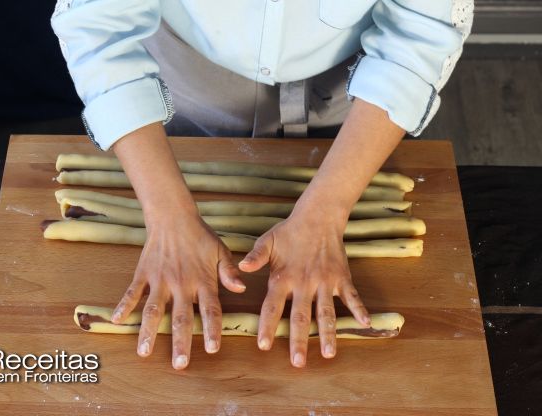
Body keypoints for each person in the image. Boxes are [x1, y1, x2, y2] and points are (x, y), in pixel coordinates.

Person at [51, 0, 473, 369]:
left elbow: (419, 32)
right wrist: (168, 216)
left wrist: (327, 212)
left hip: (356, 92)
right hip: (186, 82)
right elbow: (98, 27)